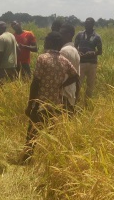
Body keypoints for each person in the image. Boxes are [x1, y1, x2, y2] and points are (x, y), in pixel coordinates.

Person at [23, 31, 79, 162]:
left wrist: (30, 104)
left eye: (47, 40)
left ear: (50, 43)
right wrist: (62, 85)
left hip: (40, 103)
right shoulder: (64, 60)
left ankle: (27, 158)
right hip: (55, 104)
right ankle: (49, 160)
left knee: (32, 132)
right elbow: (75, 76)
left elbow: (36, 82)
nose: (45, 42)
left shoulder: (42, 58)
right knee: (51, 133)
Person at [73, 17, 103, 106]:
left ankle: (87, 104)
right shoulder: (79, 35)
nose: (86, 25)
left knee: (90, 85)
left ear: (93, 25)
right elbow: (74, 47)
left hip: (92, 64)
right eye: (85, 23)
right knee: (78, 84)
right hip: (81, 63)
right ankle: (75, 102)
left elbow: (100, 51)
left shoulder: (97, 37)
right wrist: (78, 52)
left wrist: (93, 53)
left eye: (89, 23)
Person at [54, 21, 81, 112]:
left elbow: (61, 74)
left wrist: (58, 87)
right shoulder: (74, 49)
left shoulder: (64, 51)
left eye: (62, 33)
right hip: (71, 90)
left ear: (69, 34)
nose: (60, 36)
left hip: (64, 92)